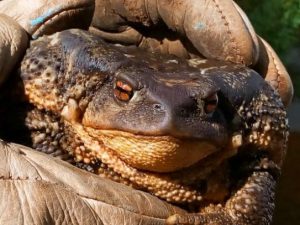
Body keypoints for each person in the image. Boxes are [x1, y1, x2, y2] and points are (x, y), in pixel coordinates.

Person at [0, 0, 293, 224]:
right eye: (125, 93)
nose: (166, 116)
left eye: (209, 104)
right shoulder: (59, 94)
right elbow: (21, 103)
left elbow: (262, 167)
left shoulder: (237, 140)